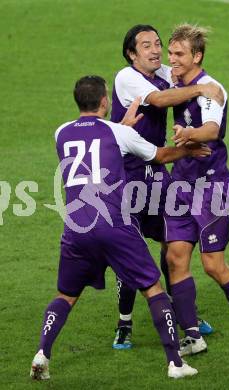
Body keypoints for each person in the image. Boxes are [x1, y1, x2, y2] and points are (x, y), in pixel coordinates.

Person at [29, 75, 213, 380]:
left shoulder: (60, 133)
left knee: (66, 295)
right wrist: (189, 151)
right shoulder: (116, 132)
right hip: (114, 223)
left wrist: (121, 129)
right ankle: (176, 364)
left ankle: (42, 354)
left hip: (76, 228)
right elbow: (161, 155)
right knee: (154, 289)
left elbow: (95, 147)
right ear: (105, 101)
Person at [110, 24, 220, 349]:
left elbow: (188, 76)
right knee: (128, 251)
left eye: (158, 44)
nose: (156, 50)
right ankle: (124, 322)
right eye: (147, 45)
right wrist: (200, 90)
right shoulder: (126, 78)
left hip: (157, 171)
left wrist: (207, 89)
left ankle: (185, 313)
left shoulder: (163, 71)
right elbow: (159, 99)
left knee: (173, 244)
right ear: (132, 53)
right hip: (126, 178)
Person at [164, 24, 229, 356]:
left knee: (212, 265)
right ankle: (193, 336)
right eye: (170, 53)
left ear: (198, 56)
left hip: (210, 189)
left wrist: (188, 133)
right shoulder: (176, 81)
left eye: (179, 54)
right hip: (181, 185)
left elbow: (211, 129)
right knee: (176, 257)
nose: (172, 59)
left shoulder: (212, 89)